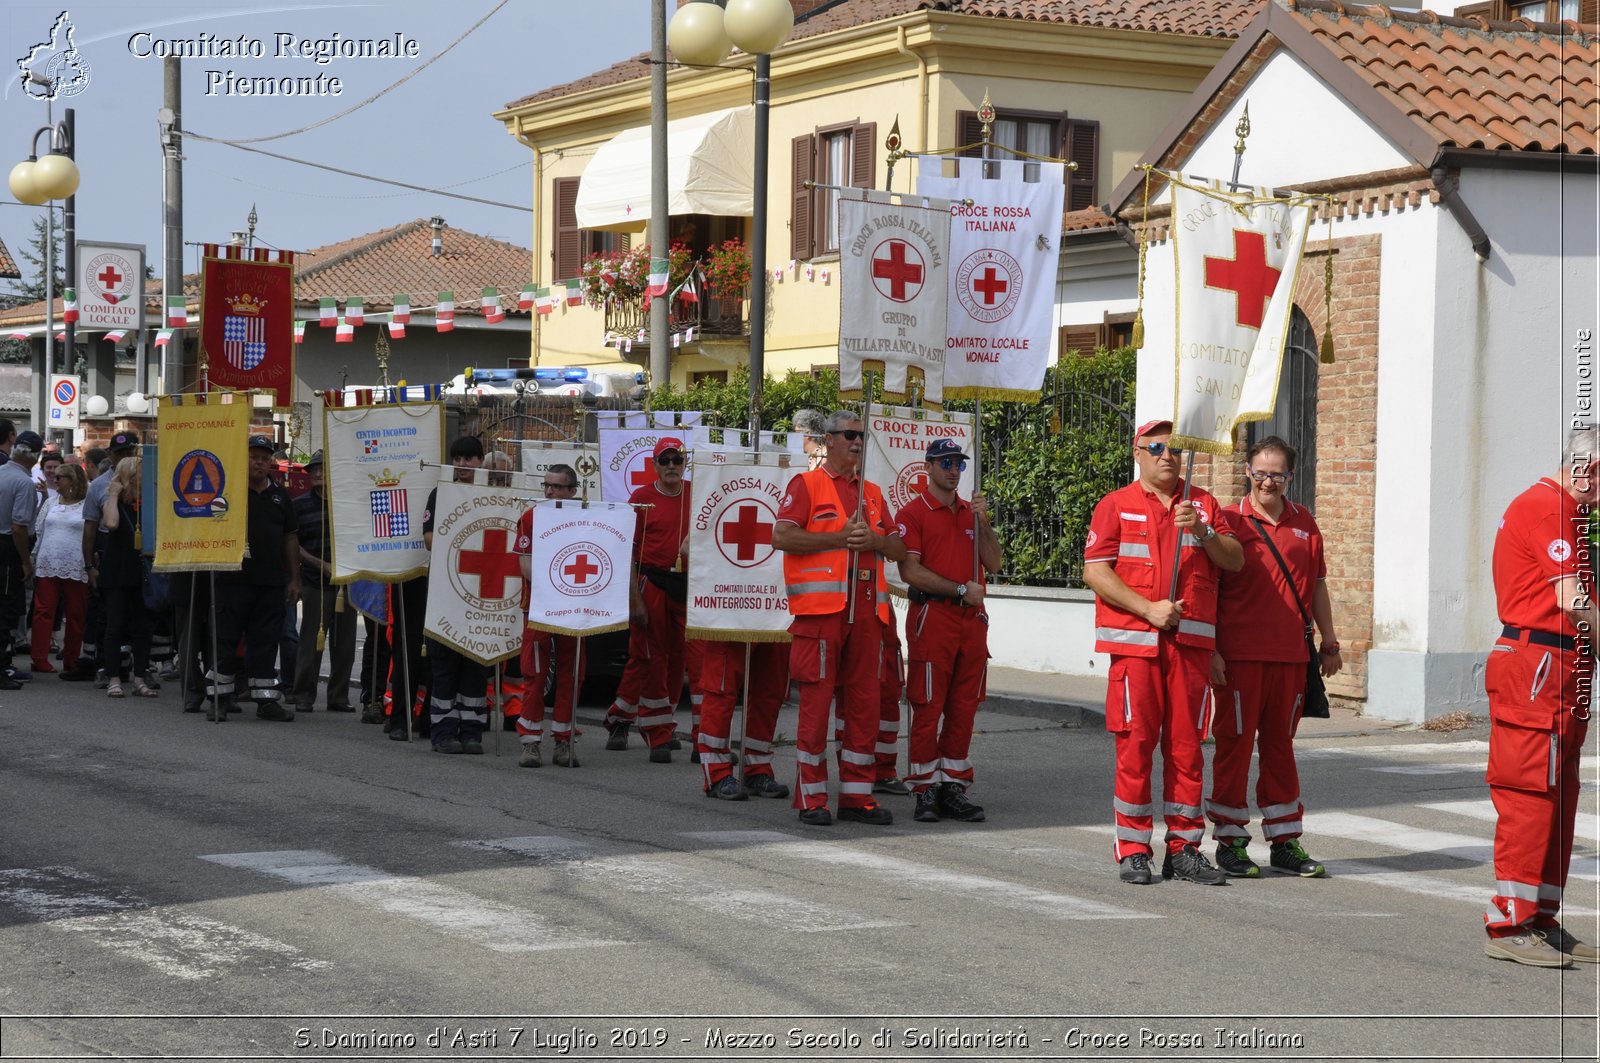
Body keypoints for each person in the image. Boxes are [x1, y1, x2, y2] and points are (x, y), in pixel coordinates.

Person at [1082, 419, 1243, 885]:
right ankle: (1133, 848)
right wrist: (1147, 610)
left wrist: (1207, 533)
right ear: (1138, 453)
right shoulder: (1115, 505)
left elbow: (1234, 562)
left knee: (1188, 749)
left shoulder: (1205, 503)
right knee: (1135, 746)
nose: (1166, 456)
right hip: (1137, 650)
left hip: (1190, 650)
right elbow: (1096, 572)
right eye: (1156, 447)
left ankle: (1185, 848)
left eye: (1174, 448)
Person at [1481, 429, 1598, 967]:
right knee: (1530, 794)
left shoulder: (1566, 514)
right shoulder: (1547, 509)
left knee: (1559, 795)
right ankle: (1509, 922)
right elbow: (1574, 602)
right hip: (1538, 663)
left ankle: (1542, 916)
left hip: (1561, 664)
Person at [1207, 436, 1340, 878]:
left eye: (1277, 474)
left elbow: (1317, 584)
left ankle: (1285, 841)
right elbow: (1209, 591)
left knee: (1281, 748)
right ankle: (1229, 840)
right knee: (1235, 746)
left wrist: (1330, 642)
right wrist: (1211, 650)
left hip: (1290, 658)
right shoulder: (1227, 522)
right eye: (1261, 472)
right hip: (1240, 656)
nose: (1268, 481)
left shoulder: (1306, 522)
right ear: (1247, 471)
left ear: (1290, 476)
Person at [773, 410, 907, 826]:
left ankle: (857, 796)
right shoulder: (807, 484)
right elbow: (781, 535)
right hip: (821, 617)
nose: (856, 442)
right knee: (815, 708)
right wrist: (838, 538)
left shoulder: (871, 492)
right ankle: (811, 799)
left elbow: (899, 551)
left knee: (863, 708)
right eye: (849, 435)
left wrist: (878, 540)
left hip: (868, 616)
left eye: (860, 436)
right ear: (828, 440)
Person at [896, 438, 1003, 824]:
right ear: (928, 467)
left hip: (971, 622)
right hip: (934, 616)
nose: (952, 469)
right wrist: (959, 588)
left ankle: (953, 785)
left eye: (958, 462)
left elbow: (992, 562)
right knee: (928, 706)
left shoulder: (970, 512)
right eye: (944, 462)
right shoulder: (913, 512)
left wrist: (984, 521)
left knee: (964, 707)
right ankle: (925, 788)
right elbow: (909, 571)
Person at [604, 437, 691, 763]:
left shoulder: (695, 494)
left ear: (684, 463)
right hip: (651, 581)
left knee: (678, 658)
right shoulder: (641, 498)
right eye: (664, 460)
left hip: (684, 583)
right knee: (649, 657)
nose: (671, 465)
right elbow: (625, 550)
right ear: (654, 464)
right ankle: (658, 734)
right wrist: (634, 599)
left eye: (676, 460)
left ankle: (621, 717)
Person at [208, 435, 300, 722]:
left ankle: (266, 701)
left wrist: (294, 578)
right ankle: (220, 700)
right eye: (254, 456)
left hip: (271, 582)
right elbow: (209, 526)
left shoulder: (280, 495)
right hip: (231, 580)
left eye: (264, 457)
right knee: (224, 641)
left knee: (265, 642)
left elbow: (290, 538)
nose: (260, 462)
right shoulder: (227, 492)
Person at [514, 464, 587, 767]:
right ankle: (531, 743)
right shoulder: (531, 518)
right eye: (546, 486)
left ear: (573, 492)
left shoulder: (588, 519)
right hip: (539, 607)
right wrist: (556, 586)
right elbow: (525, 565)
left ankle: (564, 740)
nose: (549, 492)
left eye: (556, 487)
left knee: (572, 673)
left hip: (576, 609)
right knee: (535, 673)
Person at [421, 436, 490, 754]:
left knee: (476, 661)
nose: (462, 465)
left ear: (480, 461)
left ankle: (472, 730)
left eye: (469, 459)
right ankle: (443, 731)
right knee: (445, 662)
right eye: (457, 459)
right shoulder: (440, 494)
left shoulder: (494, 495)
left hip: (482, 591)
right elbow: (430, 539)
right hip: (446, 590)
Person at [291, 451, 356, 713]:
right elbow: (293, 545)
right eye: (314, 470)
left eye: (323, 468)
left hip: (348, 583)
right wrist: (321, 565)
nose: (318, 473)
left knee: (345, 643)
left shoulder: (347, 504)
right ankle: (303, 694)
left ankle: (338, 697)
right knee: (310, 642)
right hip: (314, 581)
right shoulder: (298, 505)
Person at [77, 431, 139, 685]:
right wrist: (89, 566)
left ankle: (131, 668)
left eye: (129, 452)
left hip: (136, 550)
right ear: (111, 455)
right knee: (107, 616)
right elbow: (90, 528)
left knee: (136, 617)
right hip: (108, 549)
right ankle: (106, 667)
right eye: (120, 453)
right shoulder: (100, 485)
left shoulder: (146, 480)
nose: (124, 457)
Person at [698, 640, 791, 801]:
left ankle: (757, 768)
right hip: (731, 618)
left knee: (770, 688)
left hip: (776, 618)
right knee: (722, 684)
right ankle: (717, 773)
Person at [97, 456, 157, 698]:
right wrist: (112, 493)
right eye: (142, 472)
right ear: (130, 476)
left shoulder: (148, 504)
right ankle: (113, 678)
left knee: (143, 627)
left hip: (142, 572)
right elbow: (110, 523)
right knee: (115, 626)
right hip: (117, 571)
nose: (146, 477)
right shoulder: (115, 502)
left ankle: (140, 678)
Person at [30, 461, 88, 675]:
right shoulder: (51, 502)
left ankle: (71, 660)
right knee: (43, 611)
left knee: (75, 614)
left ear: (73, 481)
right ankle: (39, 658)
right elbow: (40, 530)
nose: (55, 479)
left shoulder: (86, 504)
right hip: (48, 561)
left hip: (76, 563)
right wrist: (34, 557)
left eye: (60, 477)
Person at [0, 429, 41, 689]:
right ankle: (2, 669)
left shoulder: (2, 472)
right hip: (8, 550)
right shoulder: (24, 483)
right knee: (6, 609)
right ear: (35, 458)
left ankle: (4, 665)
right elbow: (18, 528)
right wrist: (26, 560)